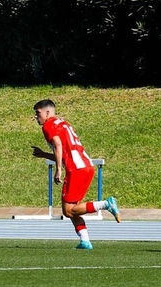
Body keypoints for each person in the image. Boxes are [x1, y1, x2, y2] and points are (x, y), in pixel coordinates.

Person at [32, 98, 121, 249]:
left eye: (38, 113)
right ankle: (85, 241)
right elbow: (64, 152)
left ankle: (106, 204)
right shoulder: (63, 123)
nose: (36, 116)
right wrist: (44, 155)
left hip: (76, 169)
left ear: (47, 112)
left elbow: (58, 146)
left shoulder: (48, 125)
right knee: (74, 209)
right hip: (86, 166)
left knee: (68, 211)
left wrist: (58, 169)